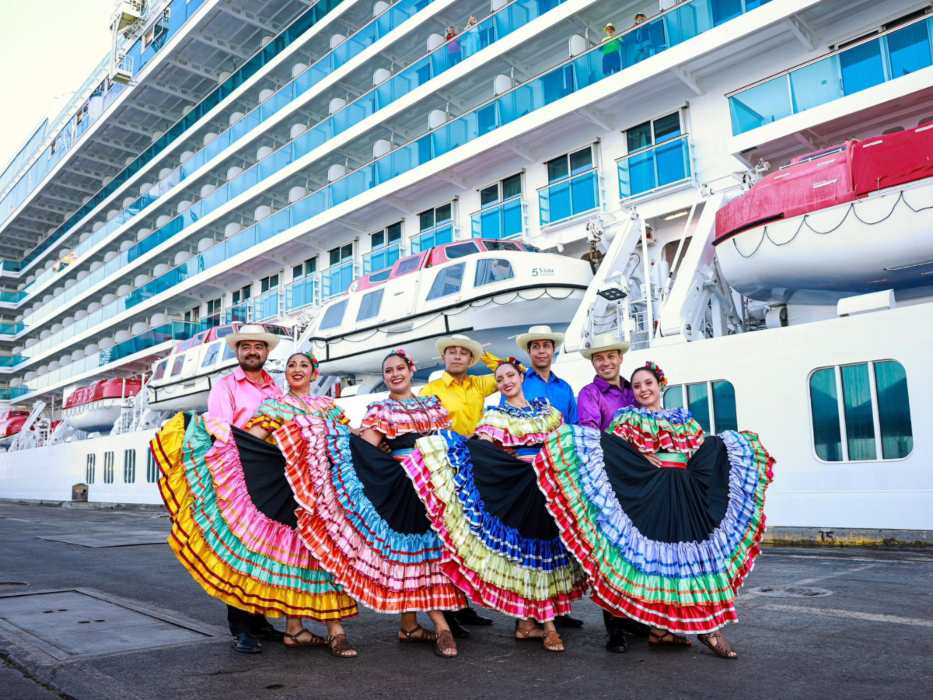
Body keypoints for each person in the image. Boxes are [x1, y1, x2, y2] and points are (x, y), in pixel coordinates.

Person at [536, 362, 774, 659]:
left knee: (691, 563)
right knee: (651, 564)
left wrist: (727, 446)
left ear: (660, 385)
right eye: (636, 386)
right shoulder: (627, 418)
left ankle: (699, 628)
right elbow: (609, 452)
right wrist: (639, 453)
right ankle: (662, 629)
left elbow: (699, 451)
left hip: (683, 494)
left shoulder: (682, 419)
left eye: (648, 383)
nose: (643, 390)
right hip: (649, 497)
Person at [151, 326, 358, 656]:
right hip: (243, 469)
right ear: (238, 352)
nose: (252, 351)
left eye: (258, 347)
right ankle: (243, 628)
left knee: (268, 549)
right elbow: (222, 428)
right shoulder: (226, 386)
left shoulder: (276, 389)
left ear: (265, 352)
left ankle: (262, 621)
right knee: (241, 548)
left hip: (279, 474)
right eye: (245, 347)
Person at [276, 349, 466, 659]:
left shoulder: (432, 405)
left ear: (410, 369)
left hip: (432, 489)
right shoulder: (381, 410)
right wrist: (326, 441)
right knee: (409, 554)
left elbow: (447, 441)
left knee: (428, 554)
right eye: (388, 370)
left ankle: (410, 626)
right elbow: (364, 449)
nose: (394, 374)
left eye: (399, 368)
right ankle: (440, 626)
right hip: (398, 487)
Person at [404, 358, 587, 652]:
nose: (505, 382)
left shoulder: (547, 412)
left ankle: (532, 624)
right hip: (519, 491)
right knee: (525, 556)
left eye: (510, 376)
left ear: (521, 376)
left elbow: (561, 443)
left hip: (546, 489)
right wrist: (443, 445)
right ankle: (542, 626)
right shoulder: (495, 417)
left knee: (546, 552)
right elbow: (480, 445)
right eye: (500, 379)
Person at [420, 334, 499, 633]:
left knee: (468, 535)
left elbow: (512, 371)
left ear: (470, 360)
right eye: (451, 352)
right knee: (447, 534)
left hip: (473, 462)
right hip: (445, 464)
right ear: (444, 358)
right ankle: (450, 608)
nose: (456, 357)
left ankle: (464, 605)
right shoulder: (432, 389)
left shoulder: (479, 384)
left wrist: (488, 359)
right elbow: (426, 425)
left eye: (462, 353)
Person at [574, 333, 643, 650]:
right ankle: (614, 627)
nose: (605, 362)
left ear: (620, 358)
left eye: (610, 356)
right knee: (610, 553)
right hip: (610, 480)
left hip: (642, 481)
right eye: (599, 358)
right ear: (593, 362)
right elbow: (589, 435)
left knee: (638, 552)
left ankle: (637, 617)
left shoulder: (634, 390)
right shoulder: (589, 394)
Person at [514, 325, 577, 424]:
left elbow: (575, 425)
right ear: (529, 351)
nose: (541, 351)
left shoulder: (565, 388)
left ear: (553, 350)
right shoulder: (516, 384)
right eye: (536, 346)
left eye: (546, 345)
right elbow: (505, 421)